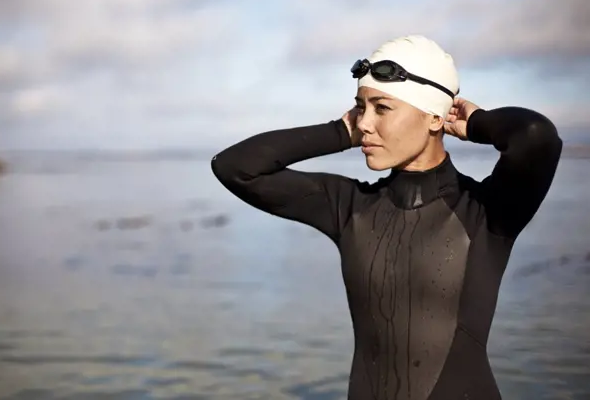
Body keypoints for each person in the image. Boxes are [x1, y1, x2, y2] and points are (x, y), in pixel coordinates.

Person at [210, 35, 563, 400]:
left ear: (433, 117)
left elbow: (537, 137)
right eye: (360, 108)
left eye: (382, 108)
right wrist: (339, 131)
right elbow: (235, 167)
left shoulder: (484, 212)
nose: (364, 123)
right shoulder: (350, 206)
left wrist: (476, 123)